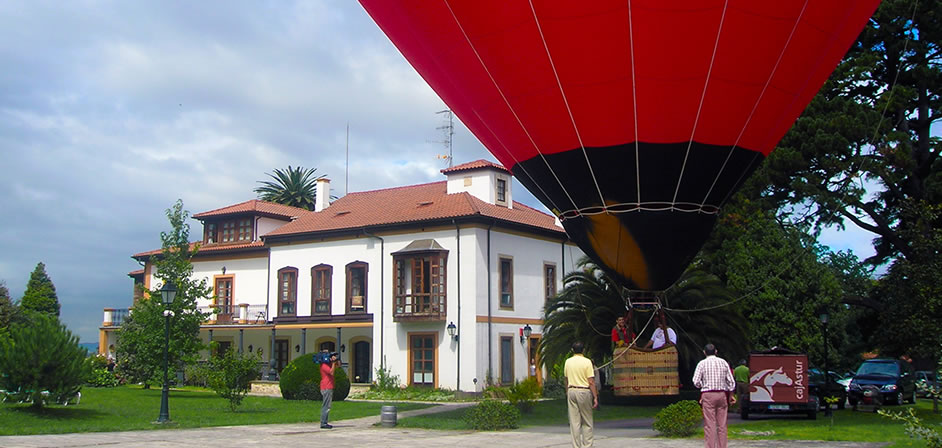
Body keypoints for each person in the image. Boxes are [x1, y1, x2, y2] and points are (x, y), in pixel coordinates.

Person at [692, 343, 736, 448]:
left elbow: (695, 381)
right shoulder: (723, 362)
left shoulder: (702, 364)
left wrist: (704, 385)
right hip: (721, 394)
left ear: (704, 352)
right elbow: (731, 382)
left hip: (708, 394)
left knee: (710, 424)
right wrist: (731, 395)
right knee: (722, 424)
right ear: (716, 351)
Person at [564, 341, 598, 448]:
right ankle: (587, 445)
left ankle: (576, 445)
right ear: (583, 350)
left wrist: (567, 391)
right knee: (587, 421)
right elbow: (591, 381)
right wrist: (595, 396)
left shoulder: (568, 362)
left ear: (572, 350)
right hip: (584, 390)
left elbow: (566, 379)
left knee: (574, 422)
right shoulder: (587, 362)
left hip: (571, 390)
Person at [319, 350, 339, 429]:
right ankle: (323, 423)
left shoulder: (329, 364)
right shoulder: (324, 365)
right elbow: (331, 372)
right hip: (326, 387)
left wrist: (336, 361)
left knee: (327, 405)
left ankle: (325, 422)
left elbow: (338, 366)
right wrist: (333, 363)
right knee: (326, 406)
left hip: (329, 387)